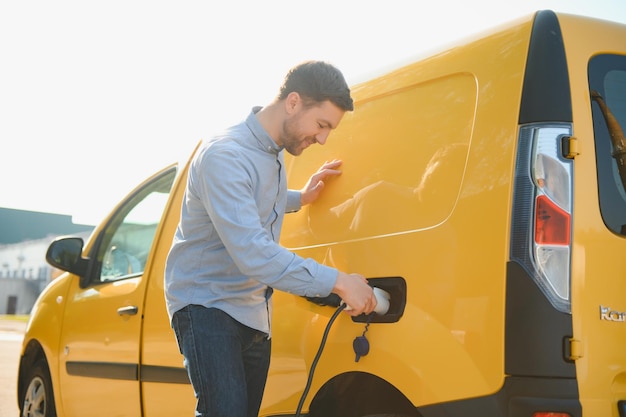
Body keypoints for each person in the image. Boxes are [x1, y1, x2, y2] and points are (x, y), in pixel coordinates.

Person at [164, 60, 377, 417]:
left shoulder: (271, 153)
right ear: (293, 102)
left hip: (253, 311)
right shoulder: (225, 155)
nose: (323, 139)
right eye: (322, 125)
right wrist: (339, 282)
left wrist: (299, 197)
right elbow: (255, 254)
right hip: (207, 306)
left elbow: (251, 200)